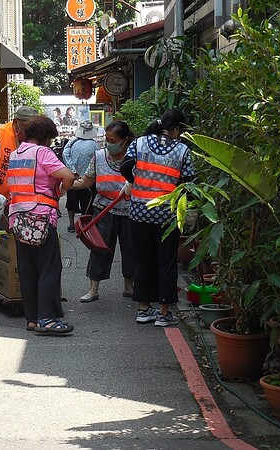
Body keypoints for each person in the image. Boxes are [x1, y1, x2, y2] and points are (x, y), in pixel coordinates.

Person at [120, 109, 196, 327]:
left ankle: (143, 309)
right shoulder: (182, 150)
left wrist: (134, 181)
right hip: (167, 214)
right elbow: (189, 181)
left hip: (139, 212)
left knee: (142, 260)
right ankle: (163, 312)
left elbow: (125, 165)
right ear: (176, 129)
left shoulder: (139, 143)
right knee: (167, 262)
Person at [6, 116, 76, 334]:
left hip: (17, 217)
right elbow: (68, 176)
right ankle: (47, 319)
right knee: (49, 268)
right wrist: (60, 191)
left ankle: (33, 319)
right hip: (41, 217)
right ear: (46, 138)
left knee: (28, 270)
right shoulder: (43, 152)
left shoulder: (15, 155)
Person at [70, 120, 136, 302]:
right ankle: (93, 289)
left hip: (129, 210)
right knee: (99, 249)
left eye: (113, 140)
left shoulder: (135, 158)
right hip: (104, 209)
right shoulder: (99, 157)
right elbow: (85, 181)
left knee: (130, 249)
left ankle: (129, 286)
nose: (109, 144)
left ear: (125, 140)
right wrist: (65, 185)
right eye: (107, 139)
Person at [0, 106, 38, 261]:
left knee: (24, 244)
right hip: (0, 203)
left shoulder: (35, 136)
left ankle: (19, 281)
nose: (26, 132)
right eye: (24, 128)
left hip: (26, 203)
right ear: (16, 121)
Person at [62, 120, 99, 232]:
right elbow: (97, 160)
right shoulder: (94, 144)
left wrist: (72, 169)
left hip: (73, 177)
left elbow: (65, 154)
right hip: (88, 178)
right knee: (87, 203)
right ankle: (85, 225)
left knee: (71, 202)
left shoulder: (72, 142)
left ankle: (71, 224)